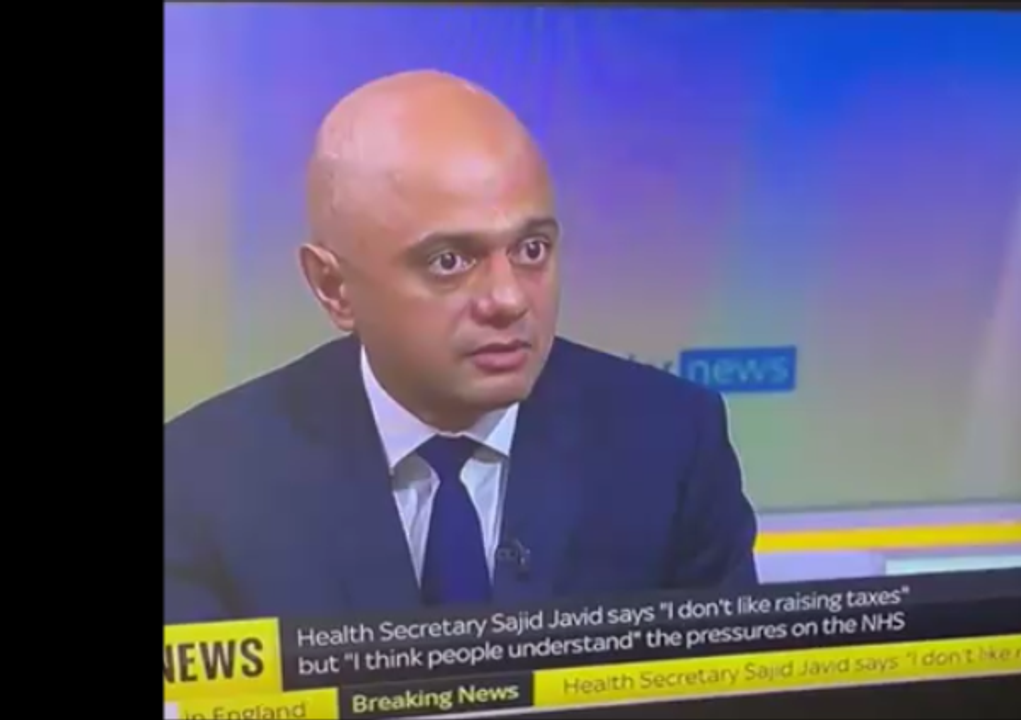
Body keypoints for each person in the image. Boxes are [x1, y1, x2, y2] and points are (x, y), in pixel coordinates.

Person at [163, 70, 759, 624]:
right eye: (449, 261)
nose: (508, 299)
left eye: (531, 250)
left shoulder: (671, 444)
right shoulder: (202, 479)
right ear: (334, 287)